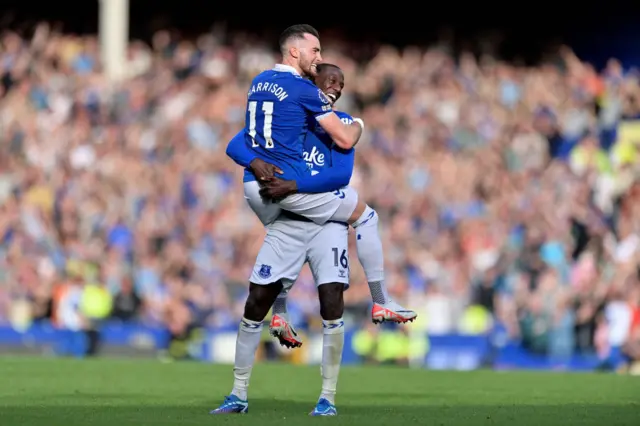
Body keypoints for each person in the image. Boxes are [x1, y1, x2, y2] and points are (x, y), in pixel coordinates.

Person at [211, 64, 415, 416]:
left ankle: (327, 397)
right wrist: (257, 161)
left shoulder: (341, 124)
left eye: (340, 83)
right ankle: (238, 394)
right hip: (290, 223)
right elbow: (236, 142)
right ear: (311, 85)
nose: (335, 88)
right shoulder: (287, 121)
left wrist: (294, 184)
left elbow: (340, 174)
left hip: (326, 225)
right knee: (255, 302)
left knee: (331, 302)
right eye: (328, 81)